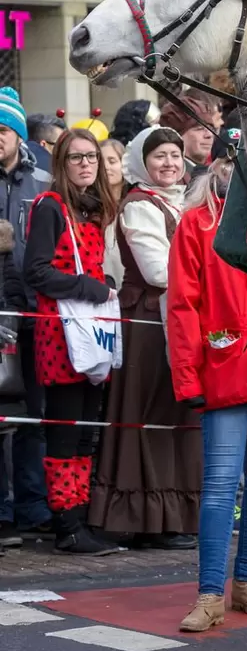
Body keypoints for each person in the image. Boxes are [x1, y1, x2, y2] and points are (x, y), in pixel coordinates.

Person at [168, 159, 247, 632]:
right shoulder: (195, 224)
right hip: (223, 370)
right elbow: (181, 305)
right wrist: (188, 379)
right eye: (230, 161)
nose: (239, 172)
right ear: (212, 166)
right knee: (220, 487)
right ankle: (210, 593)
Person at [89, 126, 201, 548]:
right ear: (142, 162)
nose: (169, 163)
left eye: (175, 155)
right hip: (152, 325)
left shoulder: (182, 201)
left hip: (179, 320)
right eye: (160, 156)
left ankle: (174, 515)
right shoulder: (139, 206)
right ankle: (151, 519)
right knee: (154, 415)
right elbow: (159, 271)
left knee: (176, 418)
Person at [23, 128, 119, 555]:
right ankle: (66, 525)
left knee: (83, 434)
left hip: (86, 330)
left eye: (92, 158)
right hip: (59, 334)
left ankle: (77, 519)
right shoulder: (51, 207)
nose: (86, 164)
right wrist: (91, 287)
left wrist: (103, 283)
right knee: (64, 433)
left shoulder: (92, 209)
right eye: (76, 158)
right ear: (61, 164)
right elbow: (37, 271)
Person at [0, 87, 52, 549]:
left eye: (2, 130)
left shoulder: (44, 184)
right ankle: (2, 510)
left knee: (35, 416)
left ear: (18, 135)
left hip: (35, 312)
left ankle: (33, 507)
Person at [159, 94, 215, 179]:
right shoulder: (170, 180)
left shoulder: (215, 171)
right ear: (177, 136)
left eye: (211, 128)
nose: (209, 135)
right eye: (200, 129)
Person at [100, 139, 127, 290]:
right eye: (101, 161)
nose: (106, 167)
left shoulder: (133, 203)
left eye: (112, 161)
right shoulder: (89, 205)